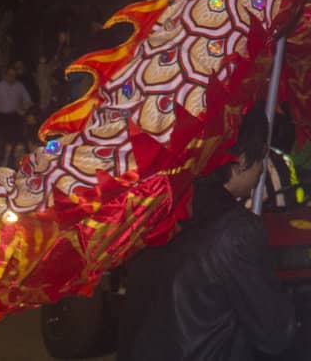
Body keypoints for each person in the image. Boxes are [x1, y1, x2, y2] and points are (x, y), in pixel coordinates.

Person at [118, 106, 296, 360]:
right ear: (243, 160)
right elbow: (274, 333)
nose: (261, 170)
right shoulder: (238, 232)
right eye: (261, 158)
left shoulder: (157, 209)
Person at [0, 64, 33, 150]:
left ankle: (12, 159)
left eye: (13, 75)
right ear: (5, 75)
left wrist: (23, 109)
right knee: (1, 141)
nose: (11, 77)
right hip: (0, 117)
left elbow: (28, 100)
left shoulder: (19, 86)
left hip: (14, 116)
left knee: (15, 140)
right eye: (9, 74)